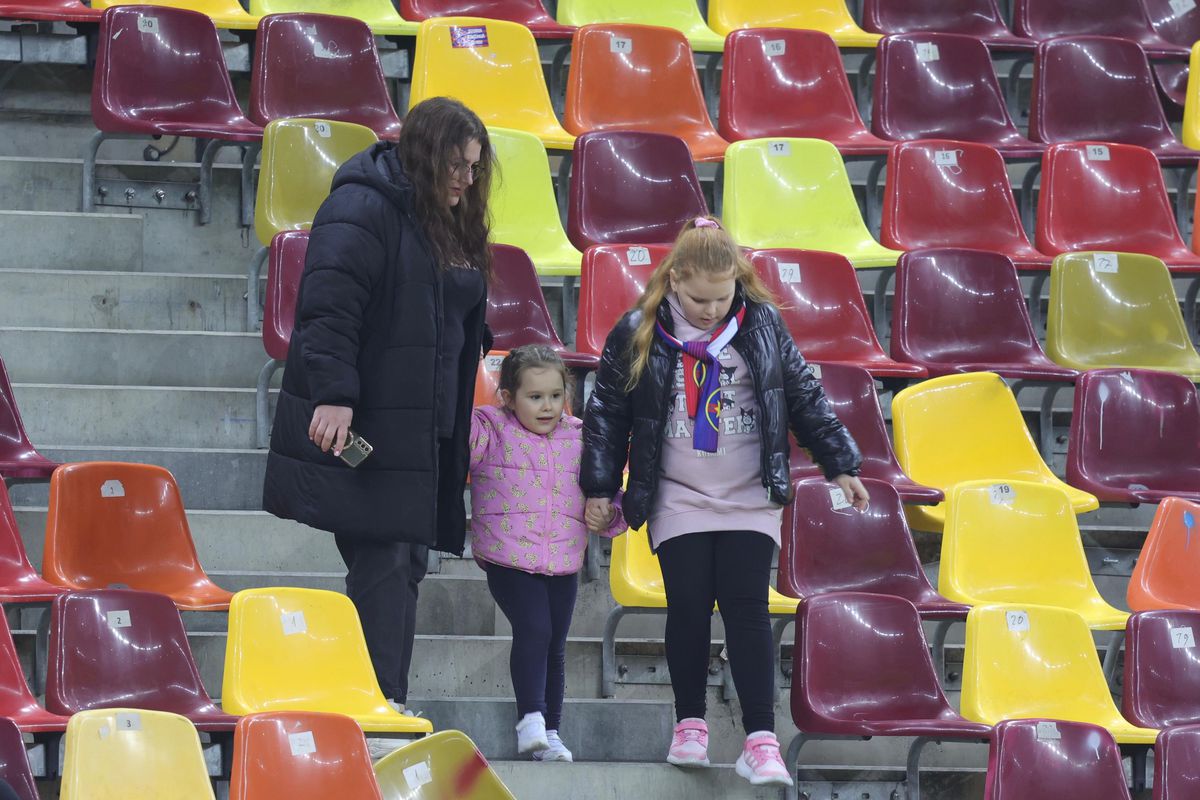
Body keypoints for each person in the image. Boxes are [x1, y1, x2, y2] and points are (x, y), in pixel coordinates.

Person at [581, 217, 868, 788]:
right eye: (698, 298)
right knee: (688, 603)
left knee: (746, 606)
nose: (711, 309)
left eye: (722, 296)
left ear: (738, 280)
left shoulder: (761, 325)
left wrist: (841, 463)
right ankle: (689, 725)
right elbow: (607, 414)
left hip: (748, 494)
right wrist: (599, 486)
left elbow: (803, 394)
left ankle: (761, 739)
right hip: (677, 492)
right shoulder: (638, 330)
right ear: (675, 280)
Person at [262, 97, 494, 730]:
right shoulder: (360, 204)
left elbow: (447, 303)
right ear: (422, 153)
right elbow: (327, 310)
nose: (465, 180)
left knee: (405, 562)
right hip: (370, 421)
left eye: (474, 169)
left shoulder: (450, 215)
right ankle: (375, 707)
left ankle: (379, 701)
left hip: (428, 421)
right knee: (387, 559)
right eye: (456, 165)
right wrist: (335, 393)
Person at [469, 345, 626, 763]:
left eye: (556, 396)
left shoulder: (580, 436)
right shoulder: (489, 427)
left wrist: (608, 512)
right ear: (507, 397)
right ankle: (531, 719)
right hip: (508, 558)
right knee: (535, 629)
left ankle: (551, 733)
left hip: (562, 562)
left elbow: (605, 490)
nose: (547, 406)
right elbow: (456, 445)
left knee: (555, 644)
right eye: (534, 397)